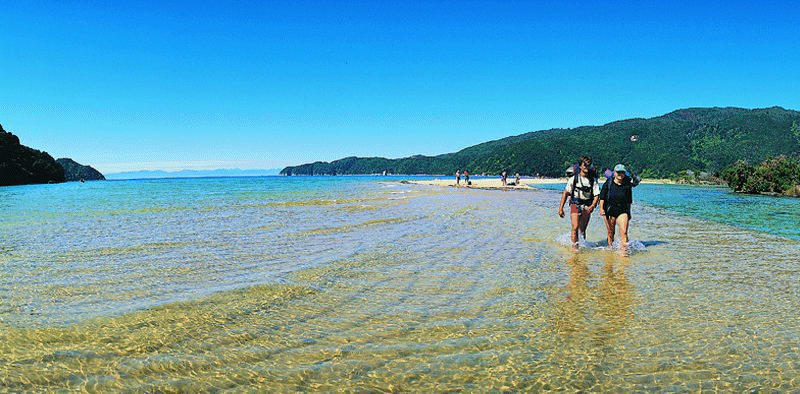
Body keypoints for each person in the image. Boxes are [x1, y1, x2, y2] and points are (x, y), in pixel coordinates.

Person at [558, 156, 600, 249]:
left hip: (587, 205)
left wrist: (593, 205)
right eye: (584, 165)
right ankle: (575, 249)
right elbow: (565, 193)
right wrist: (561, 208)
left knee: (582, 230)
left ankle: (582, 247)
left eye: (588, 165)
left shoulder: (592, 180)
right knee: (575, 227)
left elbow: (597, 195)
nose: (586, 167)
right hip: (575, 203)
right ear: (580, 166)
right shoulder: (573, 179)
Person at [599, 164, 634, 252]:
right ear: (614, 173)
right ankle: (611, 249)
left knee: (624, 232)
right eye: (618, 172)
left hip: (623, 211)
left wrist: (629, 213)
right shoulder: (608, 184)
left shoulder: (627, 185)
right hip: (610, 210)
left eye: (622, 172)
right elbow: (602, 197)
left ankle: (624, 252)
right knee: (611, 233)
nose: (620, 174)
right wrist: (601, 209)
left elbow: (629, 201)